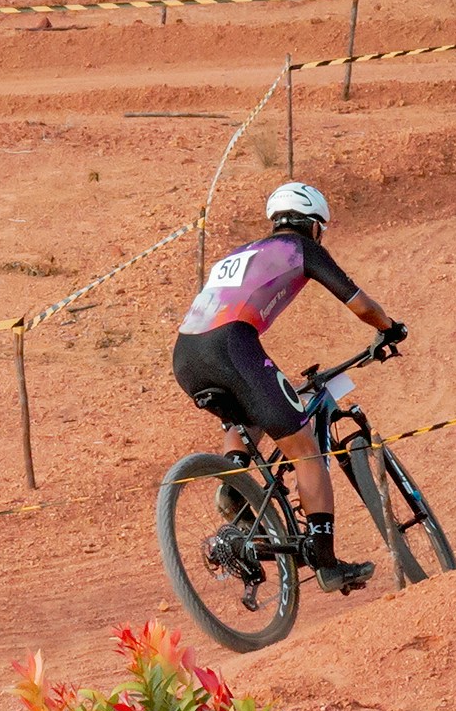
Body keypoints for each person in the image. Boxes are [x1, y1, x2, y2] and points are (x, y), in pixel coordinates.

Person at [171, 182, 407, 594]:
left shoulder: (235, 253)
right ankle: (328, 564)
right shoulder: (300, 249)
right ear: (314, 225)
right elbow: (362, 305)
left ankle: (235, 487)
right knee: (305, 451)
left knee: (248, 411)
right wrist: (390, 329)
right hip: (232, 346)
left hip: (186, 355)